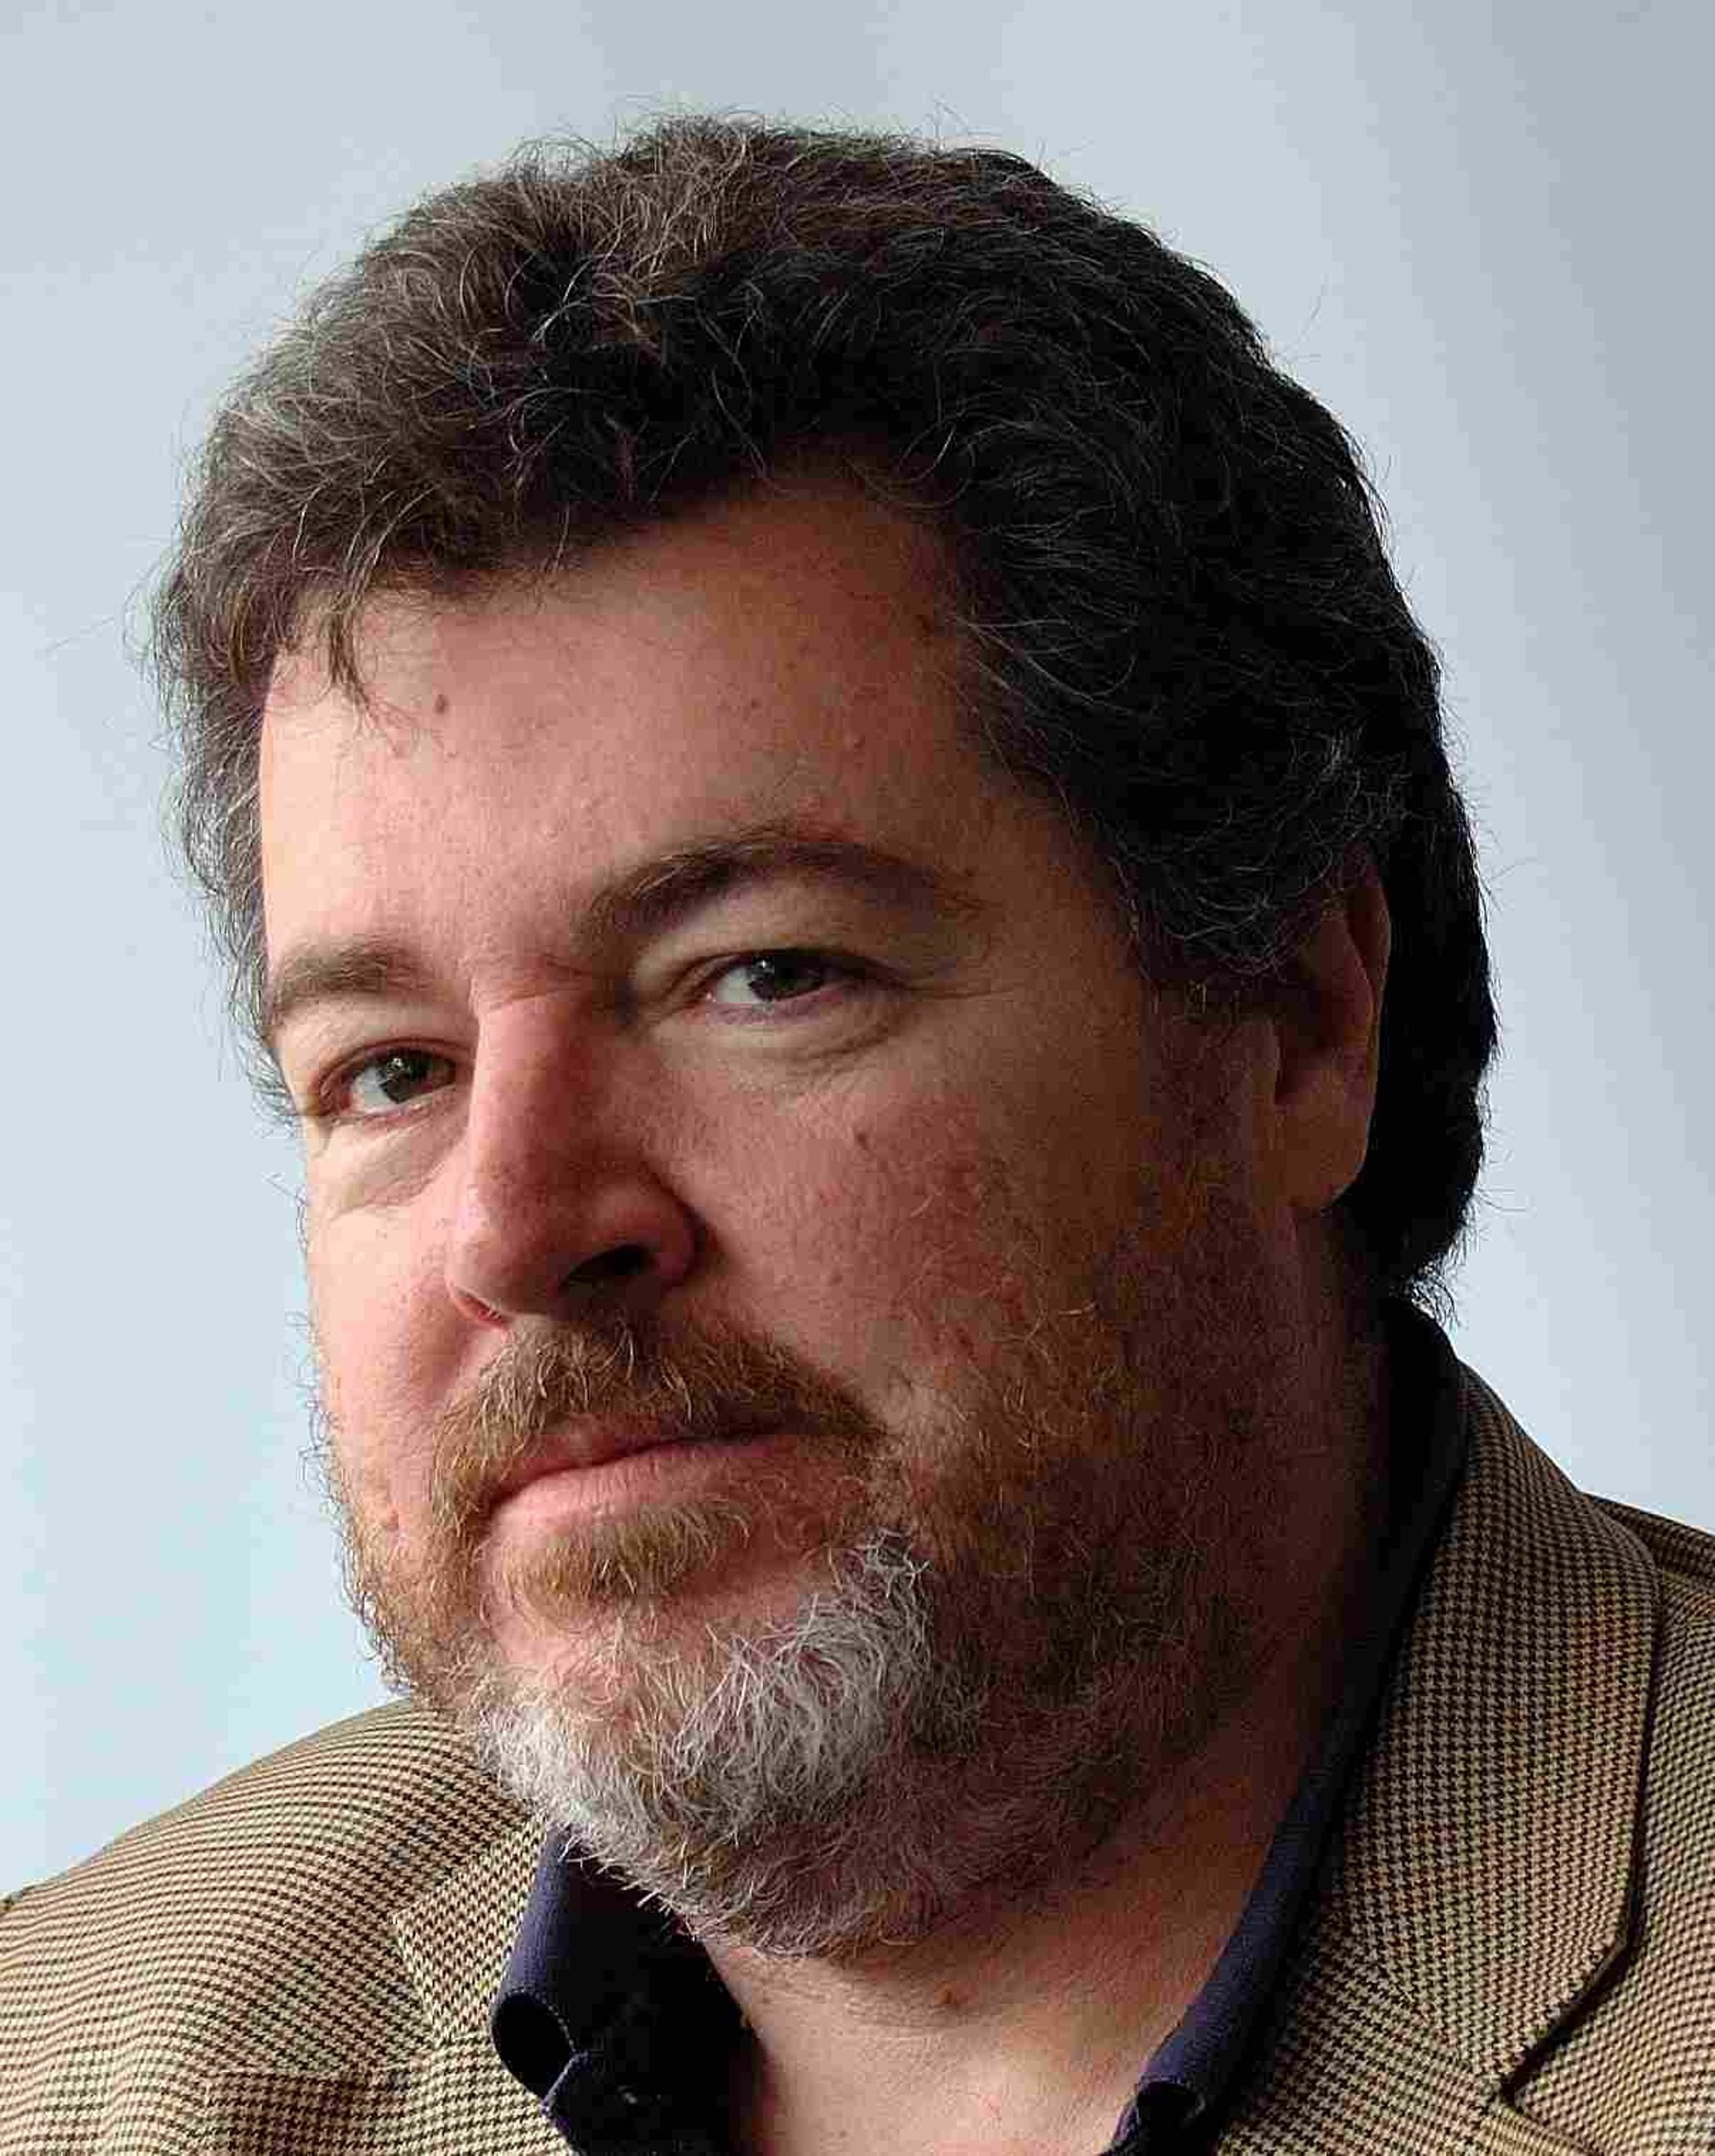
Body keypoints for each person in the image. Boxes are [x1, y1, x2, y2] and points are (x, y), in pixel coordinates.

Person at [4, 114, 1710, 2156]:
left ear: (1295, 1020)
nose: (518, 1226)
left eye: (764, 973)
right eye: (392, 1068)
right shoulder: (70, 2064)